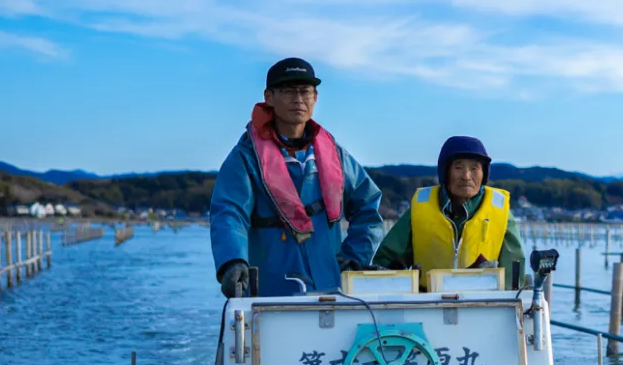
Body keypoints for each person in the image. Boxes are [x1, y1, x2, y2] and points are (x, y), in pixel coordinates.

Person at [210, 57, 383, 297]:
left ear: (316, 98)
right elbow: (229, 213)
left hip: (331, 289)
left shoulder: (335, 155)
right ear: (268, 97)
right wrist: (232, 262)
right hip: (270, 291)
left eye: (305, 91)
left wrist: (355, 258)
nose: (298, 99)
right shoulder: (246, 158)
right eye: (288, 91)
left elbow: (368, 205)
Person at [372, 135, 526, 289]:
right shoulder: (421, 207)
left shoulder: (500, 210)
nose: (466, 176)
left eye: (474, 168)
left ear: (484, 173)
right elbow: (386, 261)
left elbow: (513, 276)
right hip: (427, 304)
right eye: (458, 168)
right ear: (445, 171)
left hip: (482, 304)